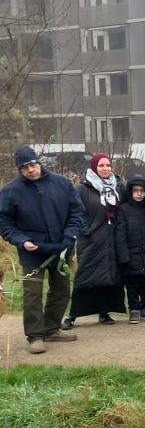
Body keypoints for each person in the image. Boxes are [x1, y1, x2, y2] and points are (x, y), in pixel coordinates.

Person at [0, 147, 85, 353]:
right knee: (32, 294)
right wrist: (21, 241)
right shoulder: (11, 191)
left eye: (33, 164)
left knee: (62, 290)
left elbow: (77, 212)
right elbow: (4, 222)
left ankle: (51, 328)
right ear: (19, 169)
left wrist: (70, 235)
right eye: (25, 167)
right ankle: (35, 336)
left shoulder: (61, 183)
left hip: (61, 248)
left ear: (39, 163)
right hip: (31, 251)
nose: (31, 170)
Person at [66, 153, 127, 327]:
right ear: (94, 168)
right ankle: (73, 315)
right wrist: (87, 229)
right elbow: (76, 212)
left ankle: (104, 312)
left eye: (108, 165)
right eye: (101, 166)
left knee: (108, 276)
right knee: (86, 275)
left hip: (112, 239)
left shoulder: (118, 187)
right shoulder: (83, 188)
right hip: (91, 239)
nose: (105, 169)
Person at [114, 176, 145, 324]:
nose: (139, 194)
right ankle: (134, 310)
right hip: (130, 255)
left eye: (142, 191)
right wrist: (123, 256)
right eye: (136, 191)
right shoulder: (123, 210)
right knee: (132, 285)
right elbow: (120, 235)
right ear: (130, 192)